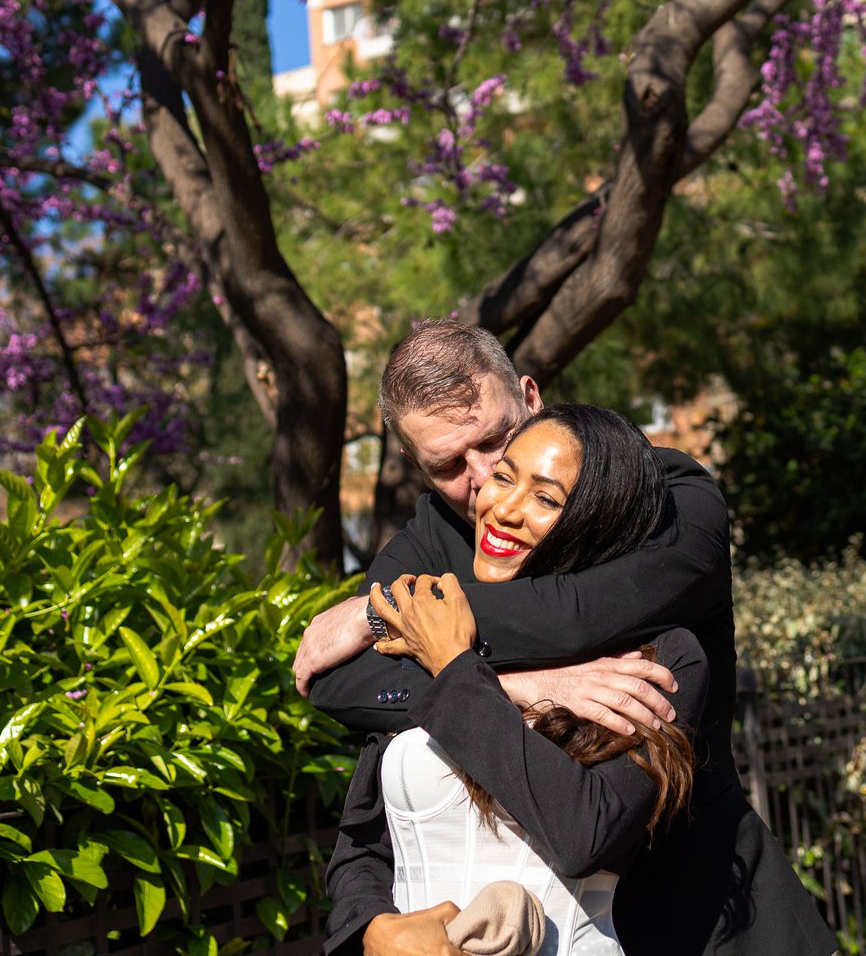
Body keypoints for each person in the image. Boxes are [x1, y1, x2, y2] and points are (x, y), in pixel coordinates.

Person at [301, 321, 833, 956]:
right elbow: (341, 687)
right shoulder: (429, 542)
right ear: (416, 465)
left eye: (494, 440)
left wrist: (399, 617)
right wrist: (523, 684)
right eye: (447, 465)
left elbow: (581, 614)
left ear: (530, 398)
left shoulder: (667, 499)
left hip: (705, 923)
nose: (483, 480)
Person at [343, 404, 706, 956]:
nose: (504, 509)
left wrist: (456, 666)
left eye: (546, 499)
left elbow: (586, 833)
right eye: (504, 478)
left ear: (600, 520)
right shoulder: (443, 631)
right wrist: (372, 927)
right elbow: (362, 842)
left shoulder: (662, 657)